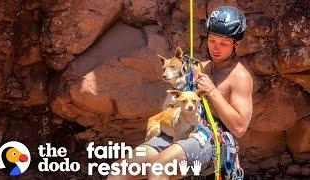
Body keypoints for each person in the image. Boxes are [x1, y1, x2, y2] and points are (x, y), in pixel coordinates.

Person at [107, 6, 253, 180]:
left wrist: (212, 91)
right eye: (212, 40)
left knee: (160, 167)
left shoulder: (240, 77)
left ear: (236, 44)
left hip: (212, 139)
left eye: (224, 44)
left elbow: (239, 128)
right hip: (183, 128)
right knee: (120, 170)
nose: (216, 48)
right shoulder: (199, 68)